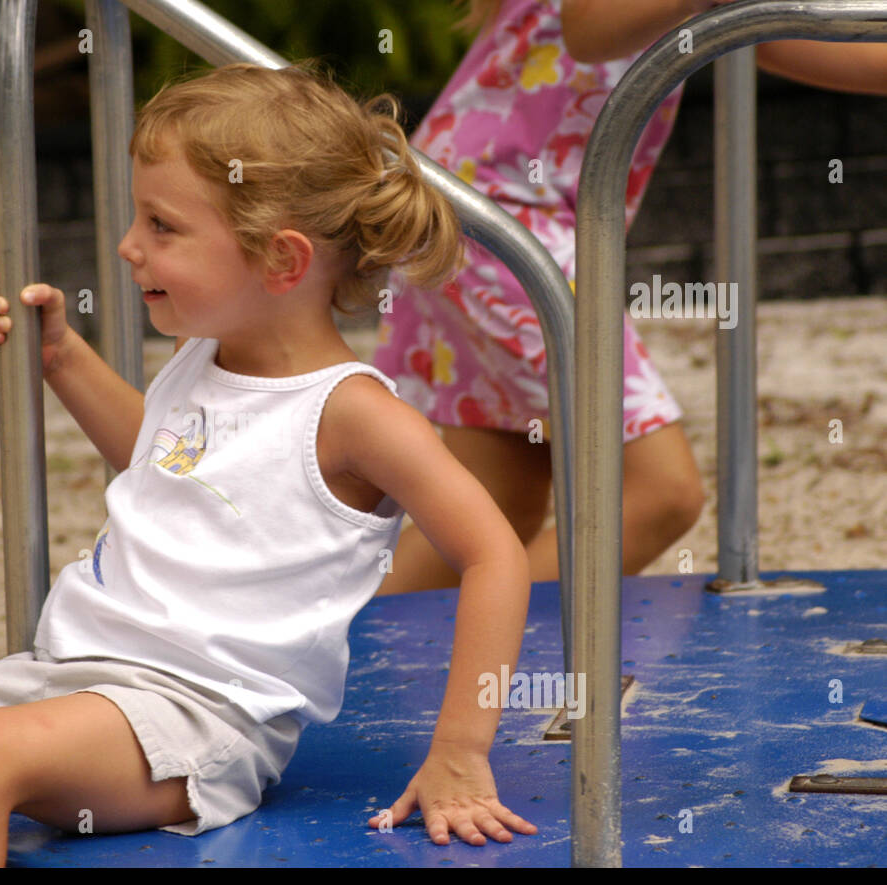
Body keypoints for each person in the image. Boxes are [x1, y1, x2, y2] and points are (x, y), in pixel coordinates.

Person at [0, 60, 539, 868]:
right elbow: (161, 462)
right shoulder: (201, 356)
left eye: (162, 227)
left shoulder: (354, 415)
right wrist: (63, 357)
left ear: (282, 260)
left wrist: (459, 746)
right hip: (69, 677)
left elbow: (494, 555)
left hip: (199, 716)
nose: (130, 248)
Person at [374, 0, 887, 595]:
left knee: (496, 506)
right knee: (661, 495)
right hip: (497, 219)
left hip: (467, 201)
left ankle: (333, 648)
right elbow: (587, 30)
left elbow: (777, 37)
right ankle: (492, 648)